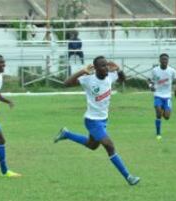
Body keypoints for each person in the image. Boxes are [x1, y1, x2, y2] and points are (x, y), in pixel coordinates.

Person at [54, 56, 140, 186]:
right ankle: (129, 177)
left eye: (106, 65)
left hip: (103, 119)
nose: (106, 67)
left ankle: (67, 134)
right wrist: (82, 71)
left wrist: (119, 69)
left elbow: (123, 79)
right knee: (109, 146)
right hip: (92, 121)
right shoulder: (88, 80)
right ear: (96, 68)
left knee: (92, 145)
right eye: (102, 66)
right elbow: (65, 83)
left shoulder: (110, 76)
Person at [148, 53, 176, 140]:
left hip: (167, 96)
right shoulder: (155, 70)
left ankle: (162, 109)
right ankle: (158, 134)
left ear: (168, 61)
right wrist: (151, 86)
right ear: (160, 60)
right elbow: (149, 80)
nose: (164, 61)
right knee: (158, 114)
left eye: (166, 59)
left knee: (167, 117)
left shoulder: (171, 71)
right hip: (158, 95)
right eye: (163, 59)